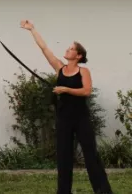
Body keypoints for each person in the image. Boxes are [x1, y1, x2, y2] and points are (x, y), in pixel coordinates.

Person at [20, 20, 113, 194]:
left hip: (81, 118)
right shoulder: (59, 68)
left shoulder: (83, 71)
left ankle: (103, 191)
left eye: (71, 48)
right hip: (63, 118)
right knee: (63, 157)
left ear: (78, 56)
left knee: (91, 155)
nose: (67, 50)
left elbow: (86, 91)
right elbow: (44, 48)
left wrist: (66, 89)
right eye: (68, 48)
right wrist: (32, 29)